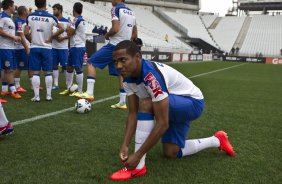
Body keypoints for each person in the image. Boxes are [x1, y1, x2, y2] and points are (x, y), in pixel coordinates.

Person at [109, 41, 235, 181]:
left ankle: (138, 167)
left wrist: (137, 155)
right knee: (171, 152)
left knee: (146, 104)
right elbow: (132, 114)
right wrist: (124, 145)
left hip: (192, 102)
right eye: (115, 62)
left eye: (123, 60)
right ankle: (217, 140)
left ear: (137, 57)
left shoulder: (150, 77)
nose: (119, 66)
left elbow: (162, 123)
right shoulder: (127, 78)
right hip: (174, 104)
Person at [75, 0, 137, 109]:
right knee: (121, 73)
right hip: (125, 46)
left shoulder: (116, 9)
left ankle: (89, 93)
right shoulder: (131, 12)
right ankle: (122, 102)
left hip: (114, 46)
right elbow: (135, 34)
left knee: (91, 62)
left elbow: (115, 29)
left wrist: (107, 36)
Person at [24, 0, 64, 102]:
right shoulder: (51, 17)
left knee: (36, 73)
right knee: (48, 72)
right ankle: (48, 95)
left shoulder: (30, 16)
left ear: (36, 4)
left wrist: (31, 40)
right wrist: (51, 37)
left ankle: (36, 96)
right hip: (47, 48)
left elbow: (25, 32)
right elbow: (62, 28)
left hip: (35, 47)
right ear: (45, 4)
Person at [59, 2, 86, 96]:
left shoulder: (76, 20)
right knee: (69, 67)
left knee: (78, 68)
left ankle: (80, 91)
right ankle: (69, 88)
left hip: (77, 47)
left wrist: (65, 29)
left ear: (74, 10)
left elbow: (70, 33)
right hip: (74, 47)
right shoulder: (80, 19)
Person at [0, 0, 22, 99]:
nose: (15, 8)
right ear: (9, 6)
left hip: (10, 47)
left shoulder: (9, 18)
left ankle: (4, 90)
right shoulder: (2, 17)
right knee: (9, 70)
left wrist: (15, 39)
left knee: (7, 70)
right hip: (5, 48)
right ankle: (13, 90)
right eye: (14, 6)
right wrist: (13, 37)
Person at [51, 3, 70, 90]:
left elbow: (70, 34)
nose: (53, 11)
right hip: (54, 47)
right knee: (54, 66)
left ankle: (68, 85)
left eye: (55, 9)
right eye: (53, 9)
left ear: (59, 10)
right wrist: (54, 36)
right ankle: (55, 84)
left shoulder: (66, 21)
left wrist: (62, 38)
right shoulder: (52, 20)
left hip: (63, 48)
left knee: (65, 66)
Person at [14, 6, 31, 93]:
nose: (28, 11)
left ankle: (33, 84)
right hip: (20, 48)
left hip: (27, 46)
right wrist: (27, 48)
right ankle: (17, 86)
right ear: (24, 12)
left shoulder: (26, 21)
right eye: (27, 10)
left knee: (30, 66)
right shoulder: (19, 21)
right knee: (19, 67)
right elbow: (21, 34)